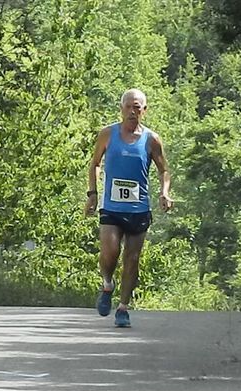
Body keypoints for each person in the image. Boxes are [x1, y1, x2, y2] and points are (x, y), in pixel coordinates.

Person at [85, 88, 172, 327]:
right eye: (129, 107)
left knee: (132, 259)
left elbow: (164, 170)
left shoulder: (151, 139)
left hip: (138, 208)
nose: (133, 112)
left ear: (145, 110)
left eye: (137, 107)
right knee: (110, 252)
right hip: (112, 206)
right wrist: (92, 194)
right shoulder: (107, 134)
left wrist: (164, 193)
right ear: (121, 108)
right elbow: (94, 164)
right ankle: (107, 283)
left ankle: (123, 308)